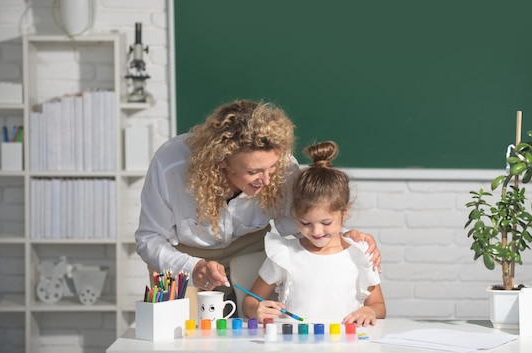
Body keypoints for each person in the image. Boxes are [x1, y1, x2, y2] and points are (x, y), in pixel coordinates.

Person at [135, 100, 381, 308]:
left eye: (271, 168)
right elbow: (149, 238)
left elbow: (302, 228)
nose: (266, 180)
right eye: (253, 171)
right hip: (184, 257)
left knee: (255, 328)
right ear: (221, 161)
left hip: (251, 250)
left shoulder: (283, 168)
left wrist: (344, 240)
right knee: (180, 335)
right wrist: (193, 267)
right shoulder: (170, 165)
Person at [242, 141, 386, 326]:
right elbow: (250, 302)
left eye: (326, 223)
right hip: (295, 344)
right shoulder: (284, 254)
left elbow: (378, 305)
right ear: (295, 213)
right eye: (305, 223)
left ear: (345, 212)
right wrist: (256, 309)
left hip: (345, 344)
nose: (316, 231)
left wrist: (369, 310)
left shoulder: (359, 254)